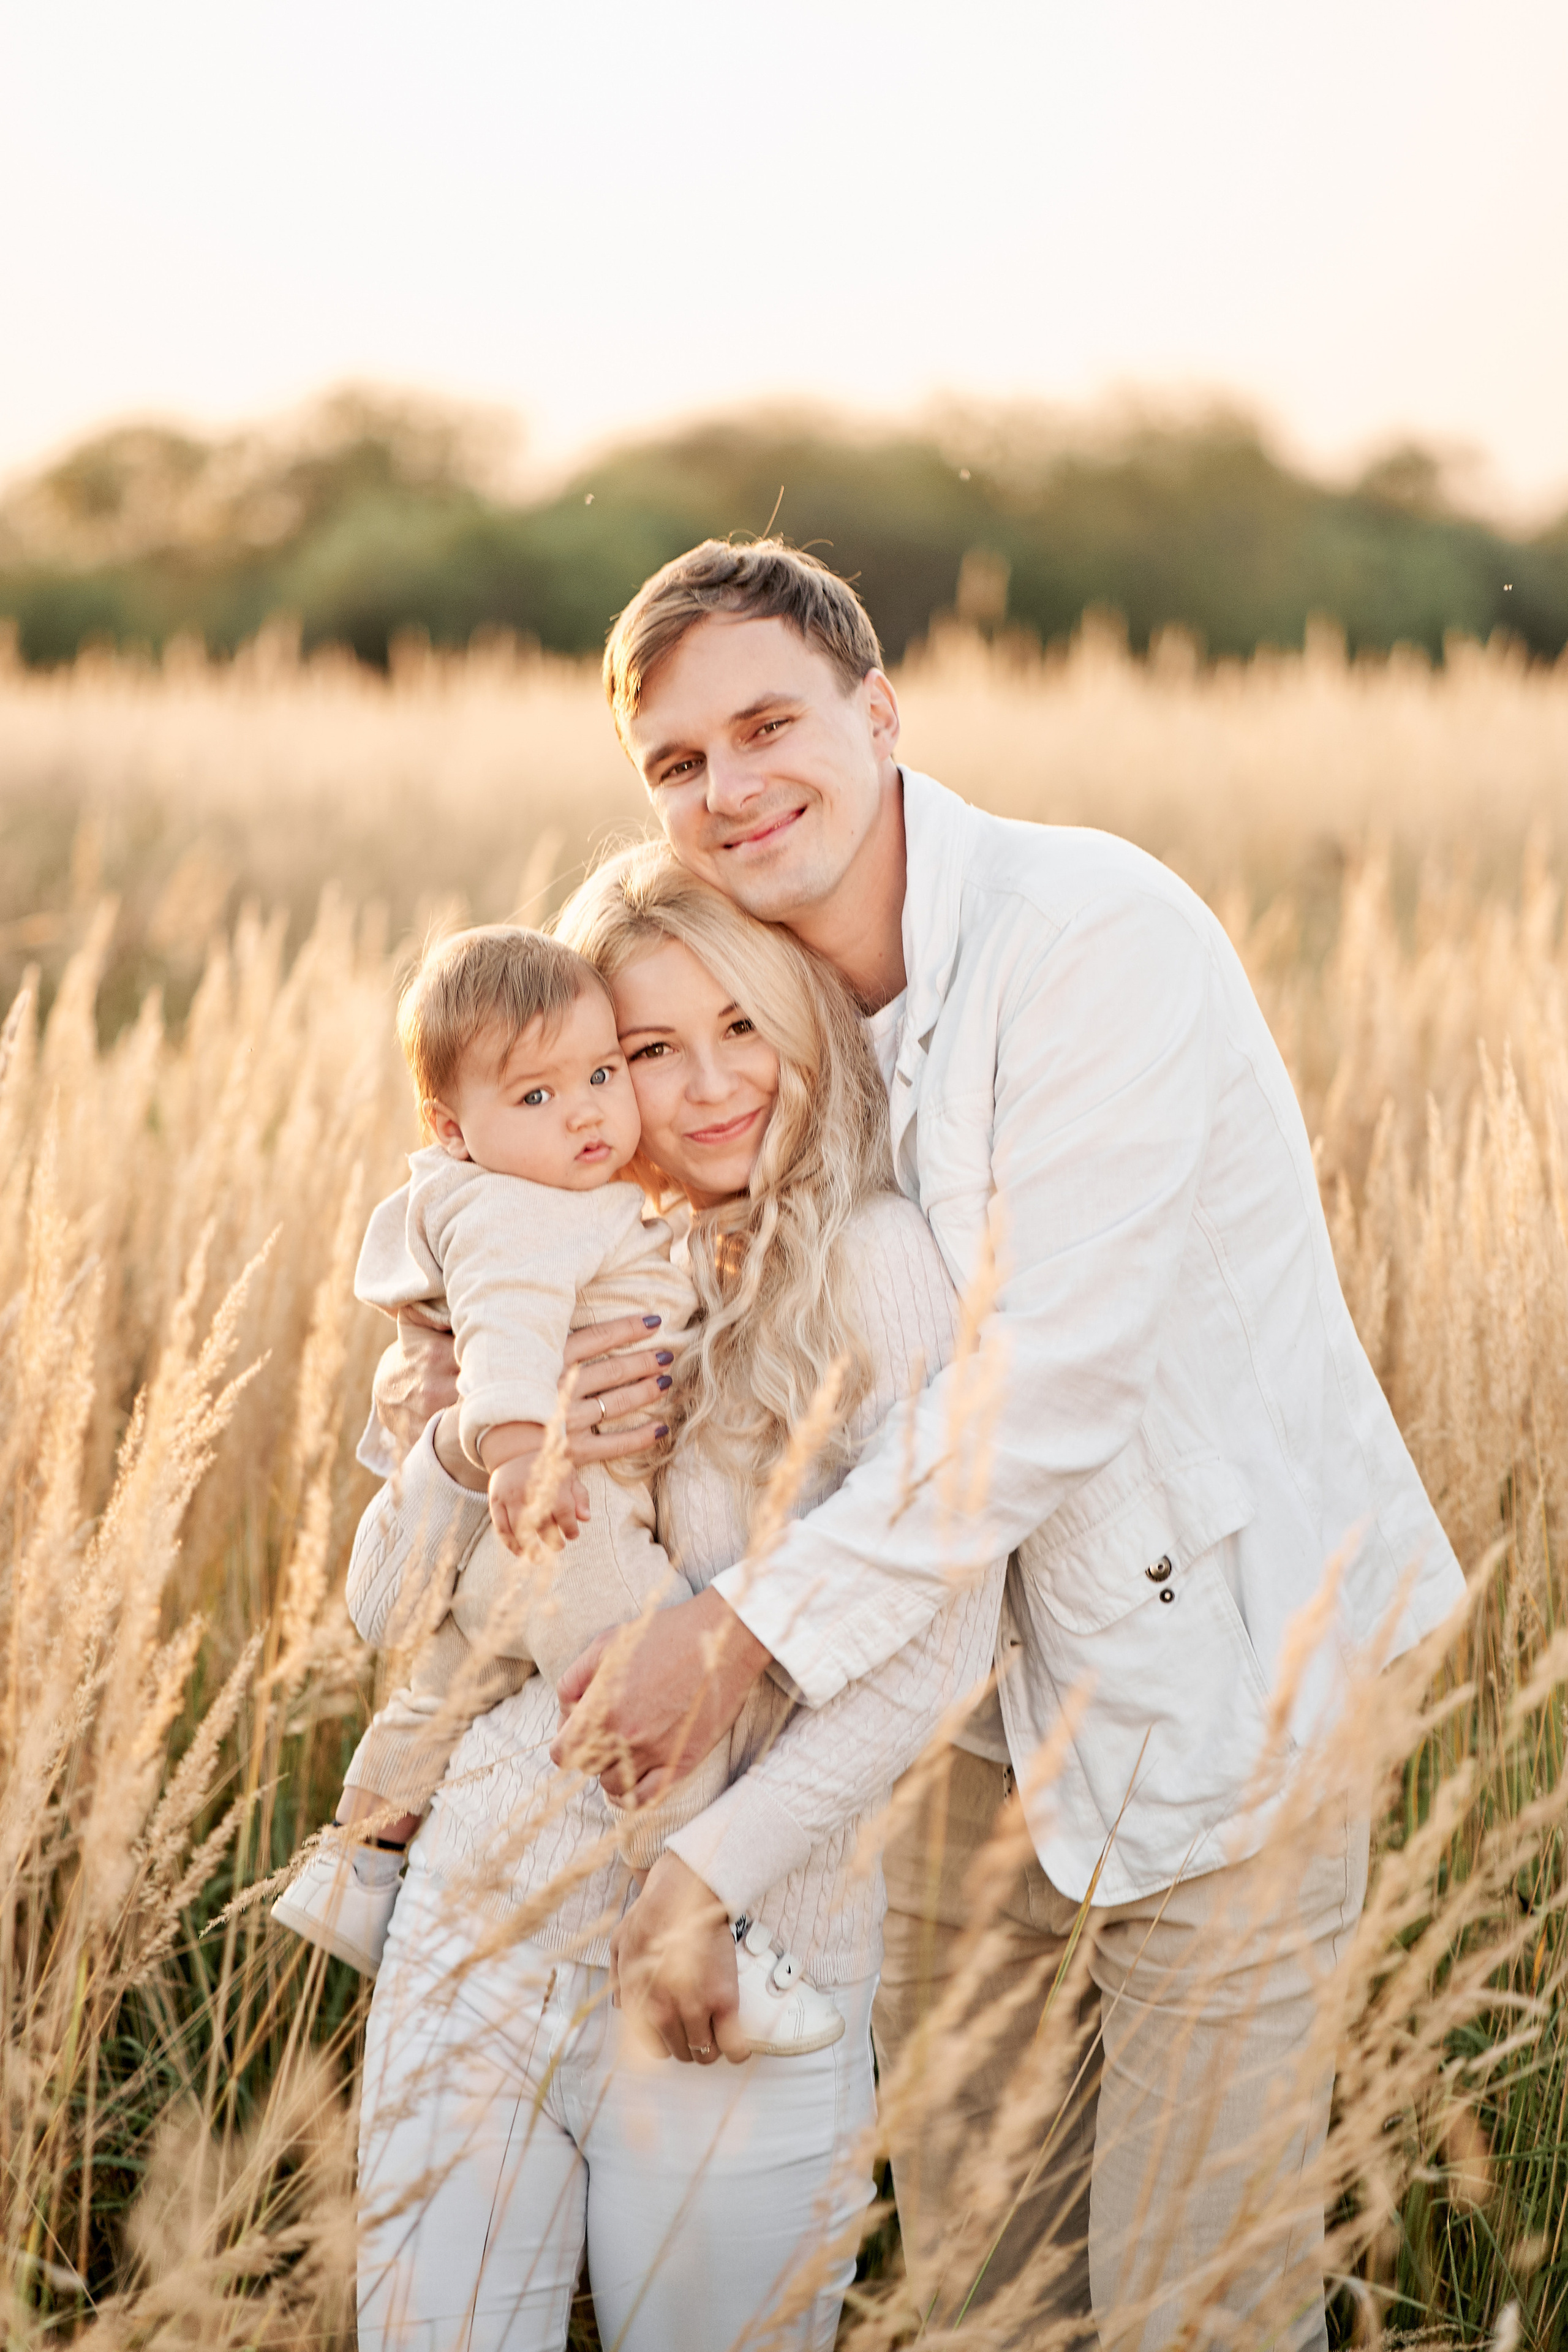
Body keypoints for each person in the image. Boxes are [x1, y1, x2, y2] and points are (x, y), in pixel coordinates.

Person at [379, 540, 1466, 2349]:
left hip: (1217, 1692)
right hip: (947, 1743)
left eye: (768, 726)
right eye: (677, 761)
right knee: (986, 2294)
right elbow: (565, 1160)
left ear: (878, 713)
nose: (730, 787)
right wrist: (471, 1387)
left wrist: (734, 1640)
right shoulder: (762, 1000)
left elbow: (1051, 1380)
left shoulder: (1086, 935)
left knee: (1195, 2305)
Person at [352, 848, 1004, 2352]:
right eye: (648, 1049)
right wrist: (462, 1447)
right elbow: (383, 1615)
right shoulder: (522, 1253)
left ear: (803, 1027)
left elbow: (940, 1647)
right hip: (482, 1926)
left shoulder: (874, 1264)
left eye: (741, 1027)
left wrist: (703, 1877)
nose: (707, 1086)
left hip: (731, 1973)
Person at [276, 921, 759, 1997]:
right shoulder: (518, 1212)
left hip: (521, 1531)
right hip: (566, 1515)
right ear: (453, 1130)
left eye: (601, 1073)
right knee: (648, 1686)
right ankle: (695, 1913)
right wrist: (519, 1454)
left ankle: (357, 1859)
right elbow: (504, 1335)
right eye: (536, 1095)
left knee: (452, 1678)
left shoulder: (543, 1193)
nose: (584, 1111)